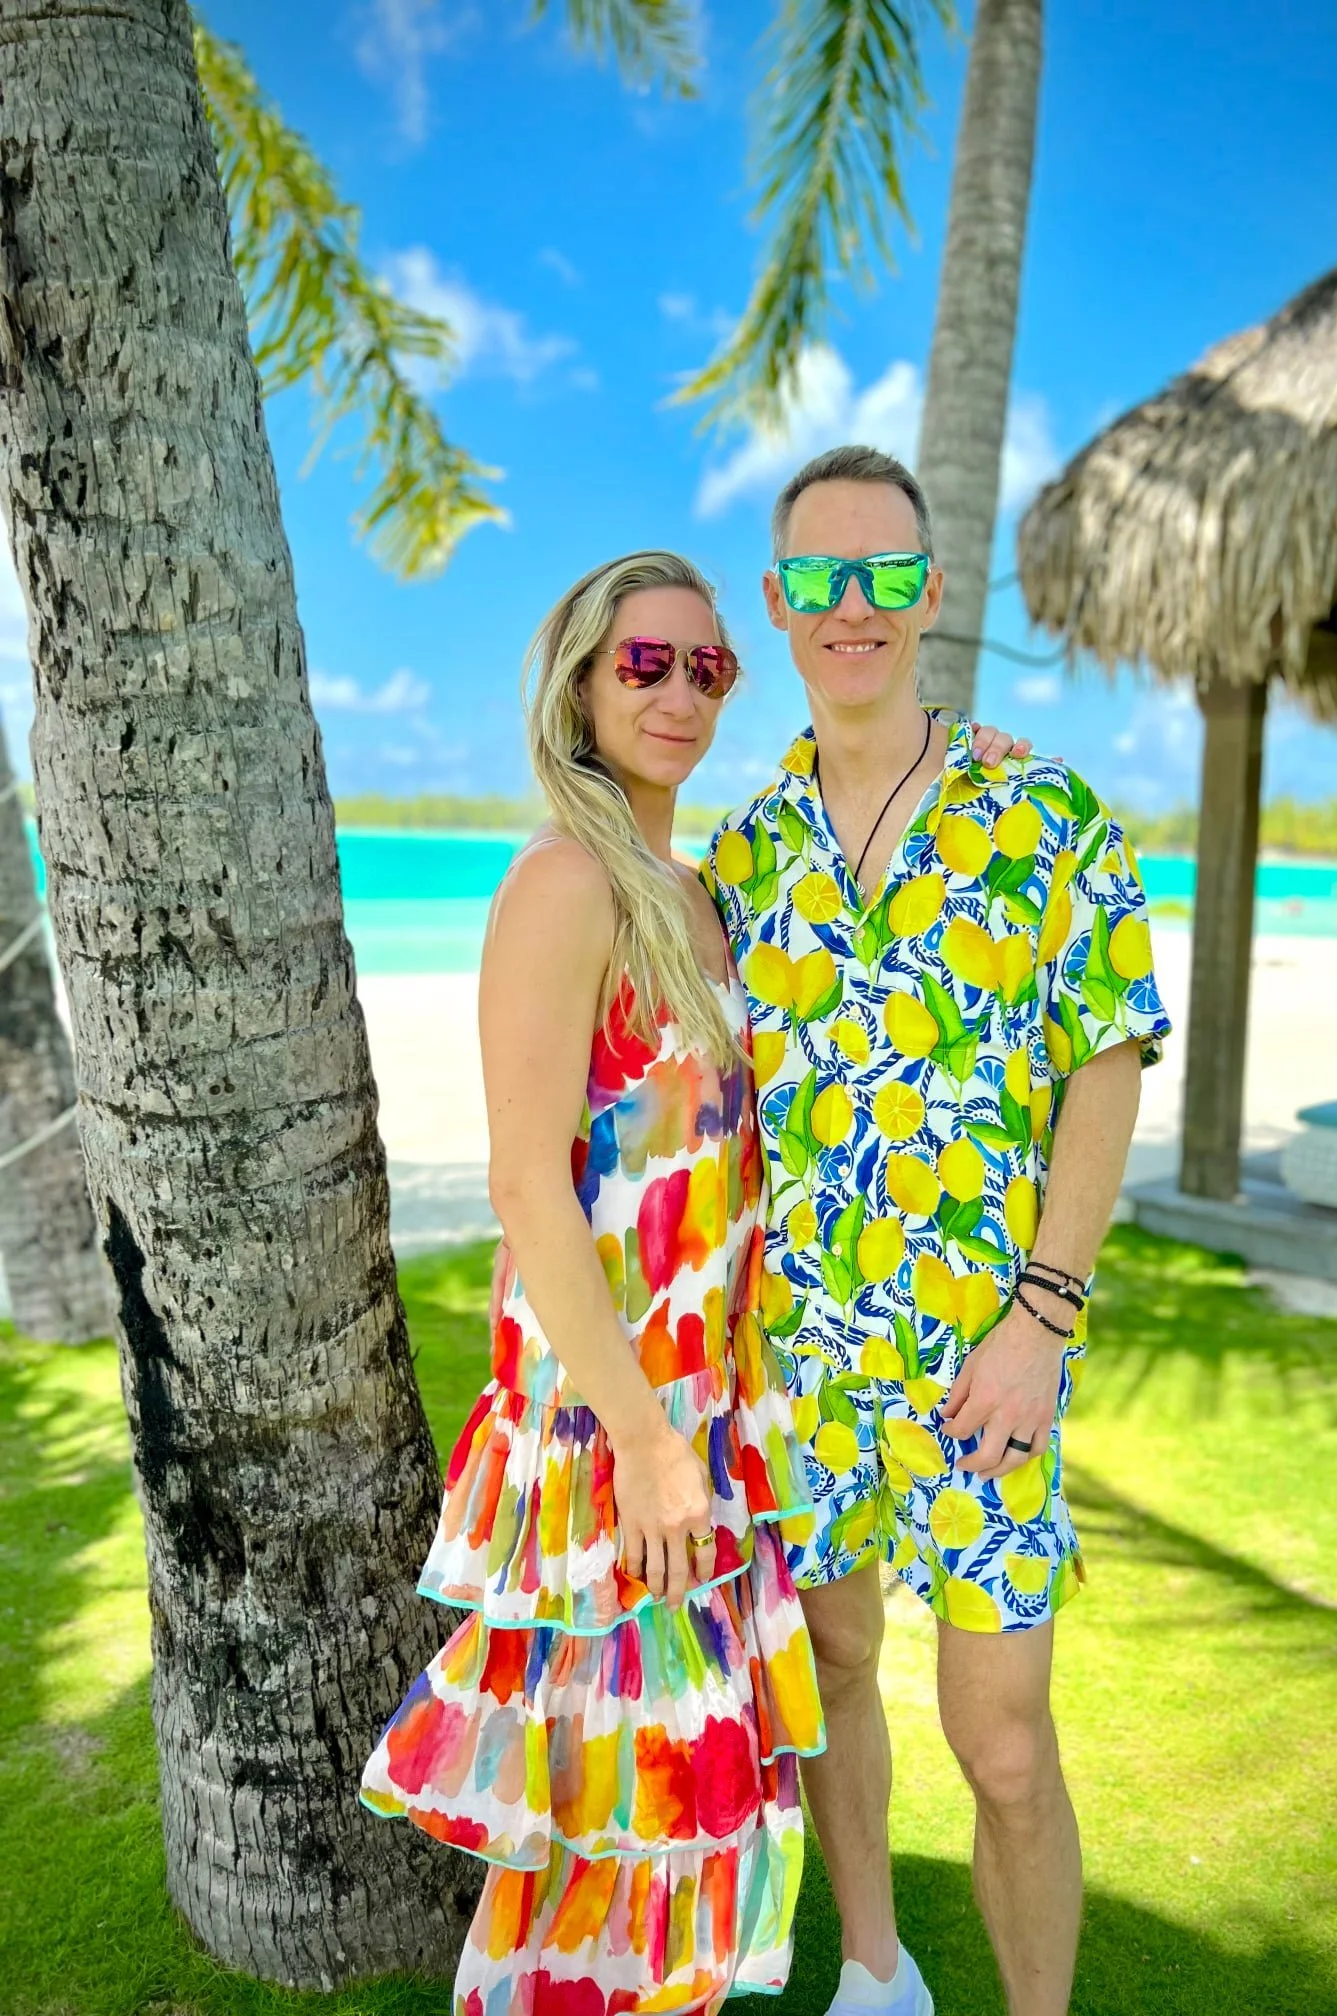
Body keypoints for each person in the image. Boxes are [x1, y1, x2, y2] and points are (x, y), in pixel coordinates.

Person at [702, 446, 1172, 2016]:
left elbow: (1104, 1065)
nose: (856, 606)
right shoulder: (743, 857)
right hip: (804, 1371)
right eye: (823, 578)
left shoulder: (1045, 810)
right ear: (777, 603)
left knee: (1008, 1744)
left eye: (888, 575)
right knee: (833, 1681)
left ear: (934, 592)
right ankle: (878, 1972)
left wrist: (1045, 1318)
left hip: (989, 1372)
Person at [360, 551, 829, 2016]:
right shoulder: (566, 883)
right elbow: (523, 1189)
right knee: (611, 1836)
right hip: (609, 1426)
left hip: (696, 1418)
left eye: (709, 667)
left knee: (677, 1823)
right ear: (579, 681)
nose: (683, 690)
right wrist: (641, 1442)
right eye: (648, 663)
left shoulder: (691, 895)